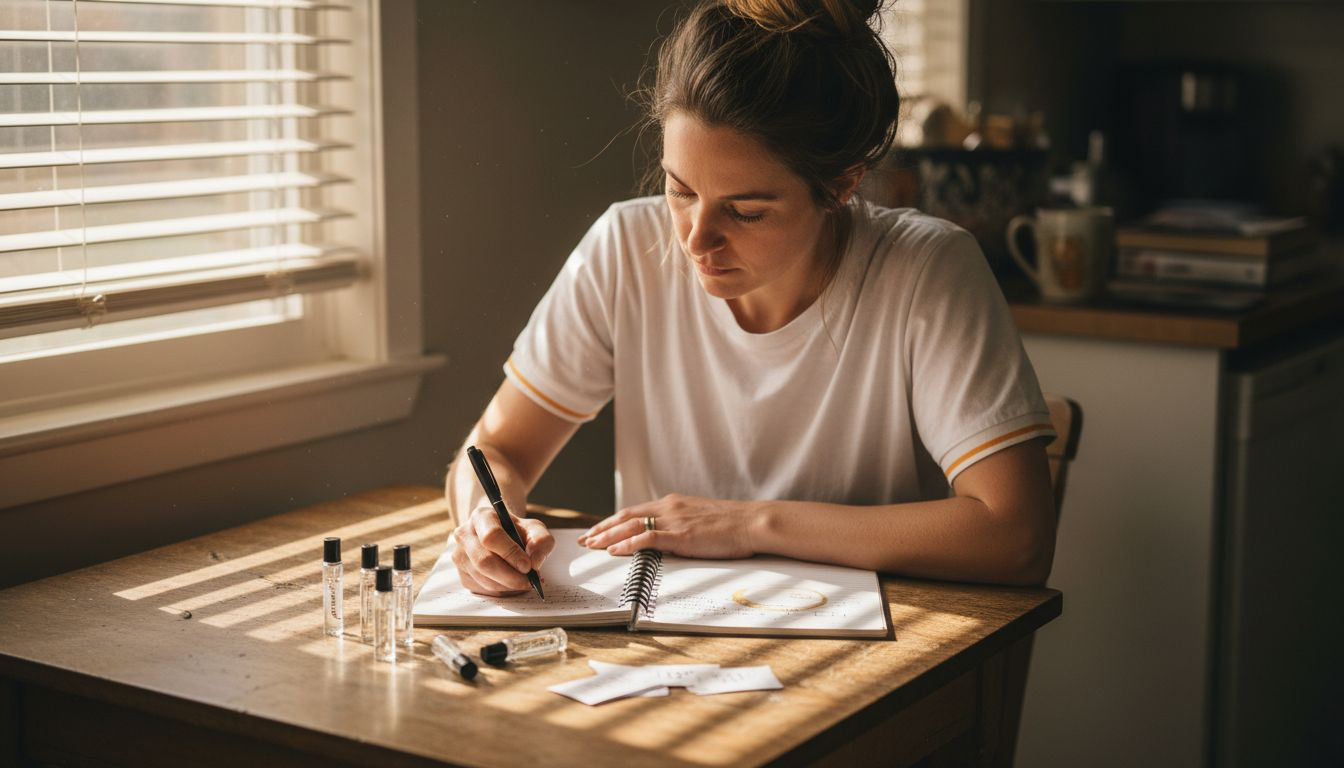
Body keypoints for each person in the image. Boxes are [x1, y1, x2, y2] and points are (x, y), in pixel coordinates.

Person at [444, 0, 1058, 597]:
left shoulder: (927, 271)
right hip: (661, 659)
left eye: (745, 211)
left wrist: (747, 524)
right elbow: (496, 449)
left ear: (840, 185)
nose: (695, 238)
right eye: (680, 191)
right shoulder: (625, 249)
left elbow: (1016, 535)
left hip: (876, 659)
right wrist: (484, 523)